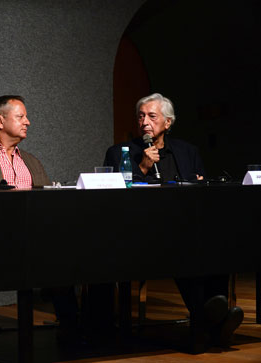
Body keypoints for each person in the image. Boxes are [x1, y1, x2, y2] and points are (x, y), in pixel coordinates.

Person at [104, 93, 244, 348]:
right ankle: (212, 324)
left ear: (168, 123)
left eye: (152, 116)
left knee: (216, 246)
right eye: (141, 116)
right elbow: (116, 194)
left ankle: (209, 322)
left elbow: (202, 191)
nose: (145, 121)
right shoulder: (120, 152)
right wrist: (144, 167)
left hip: (187, 228)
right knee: (186, 250)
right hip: (142, 234)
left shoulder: (188, 152)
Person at [0, 95, 80, 341]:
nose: (28, 122)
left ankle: (72, 328)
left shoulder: (31, 161)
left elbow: (48, 202)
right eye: (21, 116)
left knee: (67, 249)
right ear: (0, 121)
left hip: (35, 239)